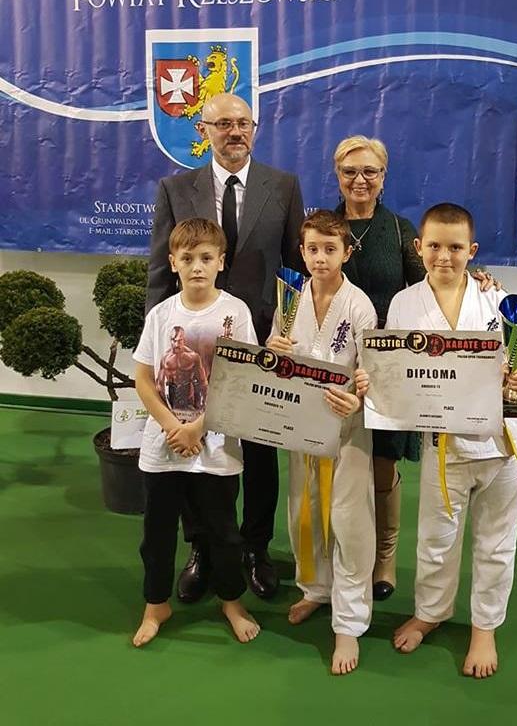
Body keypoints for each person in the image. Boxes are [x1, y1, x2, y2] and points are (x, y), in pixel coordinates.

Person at [146, 92, 305, 602]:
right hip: (193, 342)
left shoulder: (283, 185)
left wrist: (288, 332)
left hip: (260, 343)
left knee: (258, 450)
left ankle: (255, 547)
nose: (234, 132)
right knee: (194, 452)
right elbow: (160, 270)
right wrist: (155, 336)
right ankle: (203, 547)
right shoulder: (175, 189)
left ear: (254, 128)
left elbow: (295, 266)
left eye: (243, 123)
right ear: (204, 130)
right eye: (223, 124)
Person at [332, 136, 497, 601]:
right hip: (337, 361)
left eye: (370, 171)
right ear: (337, 175)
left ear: (383, 177)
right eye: (350, 171)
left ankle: (384, 559)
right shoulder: (325, 226)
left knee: (382, 465)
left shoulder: (400, 229)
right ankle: (340, 558)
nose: (360, 180)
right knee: (340, 464)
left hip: (391, 372)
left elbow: (433, 280)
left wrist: (478, 277)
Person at [385, 203, 517, 679]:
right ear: (418, 247)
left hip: (502, 441)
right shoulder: (404, 303)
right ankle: (431, 611)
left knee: (496, 540)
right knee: (435, 538)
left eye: (454, 247)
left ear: (472, 251)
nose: (443, 256)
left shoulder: (497, 298)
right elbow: (394, 366)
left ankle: (485, 627)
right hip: (443, 441)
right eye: (434, 246)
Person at [133, 218, 260, 647]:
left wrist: (199, 428)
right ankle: (155, 604)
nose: (197, 266)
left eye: (206, 257)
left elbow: (241, 378)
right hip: (163, 445)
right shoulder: (160, 315)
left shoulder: (235, 313)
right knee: (157, 533)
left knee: (224, 532)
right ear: (173, 263)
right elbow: (144, 380)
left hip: (217, 445)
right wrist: (174, 426)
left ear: (221, 261)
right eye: (187, 258)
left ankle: (231, 600)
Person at [266, 210, 377, 675]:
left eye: (330, 249)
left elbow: (371, 371)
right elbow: (275, 353)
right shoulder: (290, 298)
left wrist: (358, 396)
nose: (320, 258)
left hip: (346, 430)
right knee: (304, 511)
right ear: (302, 251)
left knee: (348, 520)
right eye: (312, 249)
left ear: (347, 253)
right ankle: (315, 589)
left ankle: (348, 623)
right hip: (300, 426)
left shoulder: (359, 306)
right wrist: (273, 349)